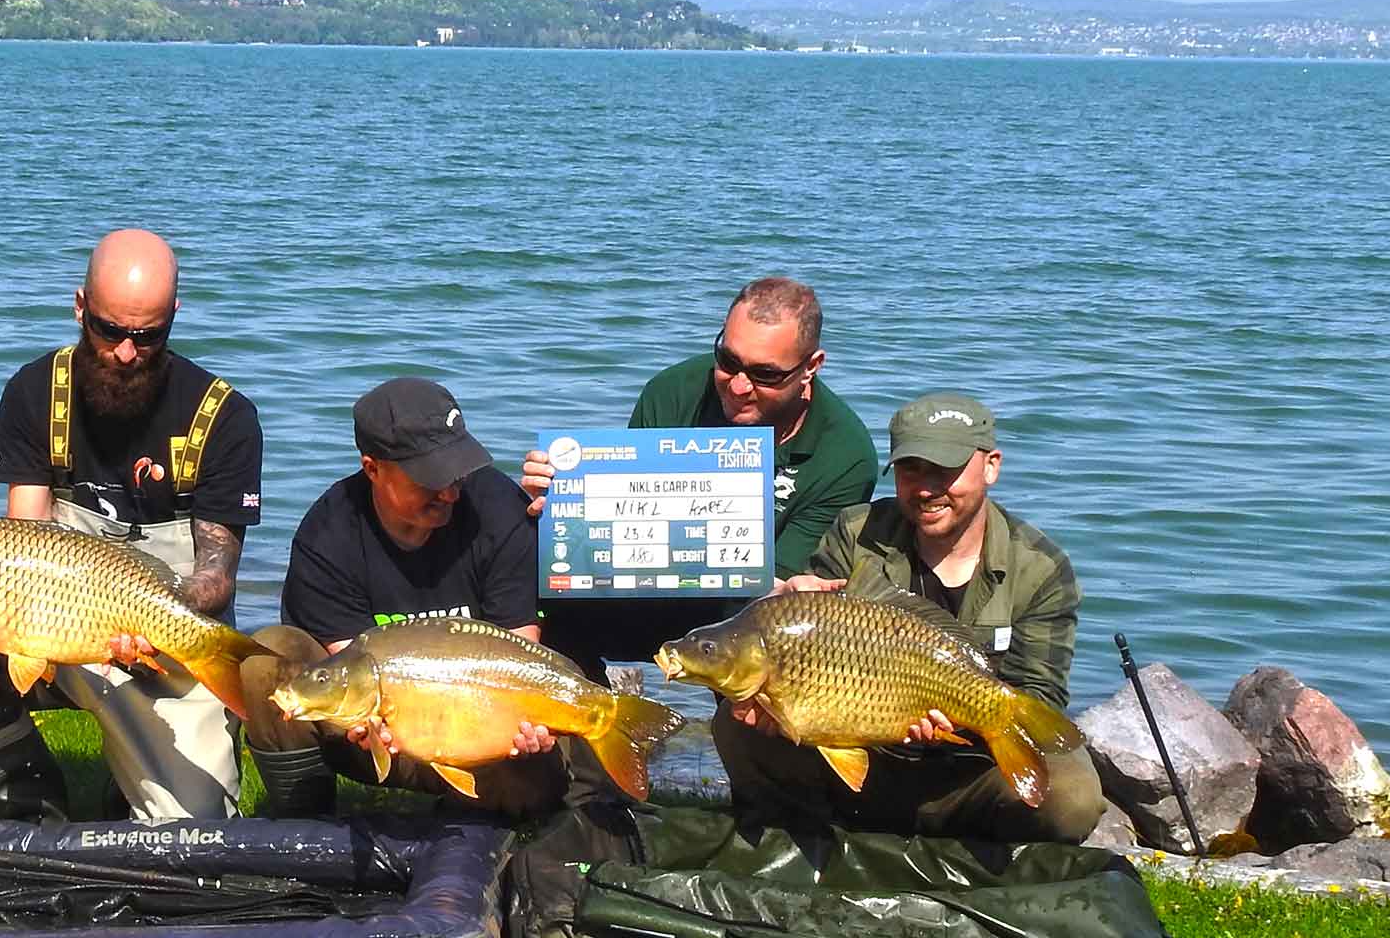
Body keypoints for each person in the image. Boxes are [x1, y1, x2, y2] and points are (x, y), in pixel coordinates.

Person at [0, 229, 265, 822]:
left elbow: (218, 575)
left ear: (174, 317)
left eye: (148, 336)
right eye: (109, 331)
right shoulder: (34, 391)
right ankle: (30, 796)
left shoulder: (225, 416)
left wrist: (154, 619)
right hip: (53, 622)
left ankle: (134, 775)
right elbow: (22, 540)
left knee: (195, 835)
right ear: (80, 307)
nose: (127, 351)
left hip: (164, 643)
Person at [711, 392, 1106, 843]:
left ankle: (965, 849)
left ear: (991, 466)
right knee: (736, 723)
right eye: (910, 469)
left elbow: (1042, 694)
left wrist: (957, 725)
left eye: (945, 471)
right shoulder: (856, 534)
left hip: (970, 767)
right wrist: (786, 604)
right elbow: (814, 665)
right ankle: (814, 841)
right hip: (870, 750)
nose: (925, 488)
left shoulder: (1040, 567)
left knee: (1071, 795)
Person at [239, 377, 566, 820]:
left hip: (487, 738)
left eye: (457, 471)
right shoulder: (328, 533)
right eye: (430, 479)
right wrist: (372, 728)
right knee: (268, 660)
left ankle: (488, 824)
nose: (450, 492)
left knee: (541, 762)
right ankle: (304, 821)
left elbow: (521, 653)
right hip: (382, 736)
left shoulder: (500, 510)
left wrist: (526, 732)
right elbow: (349, 679)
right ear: (372, 468)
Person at [522, 277, 879, 682]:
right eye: (728, 361)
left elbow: (778, 588)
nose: (740, 386)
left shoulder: (846, 455)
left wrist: (788, 592)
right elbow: (620, 526)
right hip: (643, 593)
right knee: (530, 568)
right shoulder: (671, 391)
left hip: (743, 617)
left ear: (811, 367)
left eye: (766, 375)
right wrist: (560, 508)